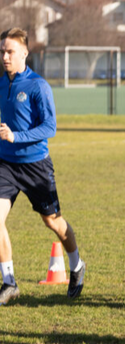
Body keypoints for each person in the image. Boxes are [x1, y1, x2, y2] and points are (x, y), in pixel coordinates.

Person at [0, 28, 87, 304]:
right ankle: (9, 282)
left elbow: (50, 127)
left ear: (25, 53)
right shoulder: (1, 82)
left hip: (35, 166)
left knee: (53, 222)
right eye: (2, 51)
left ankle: (76, 266)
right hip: (5, 164)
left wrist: (17, 136)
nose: (5, 56)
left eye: (10, 51)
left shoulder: (38, 86)